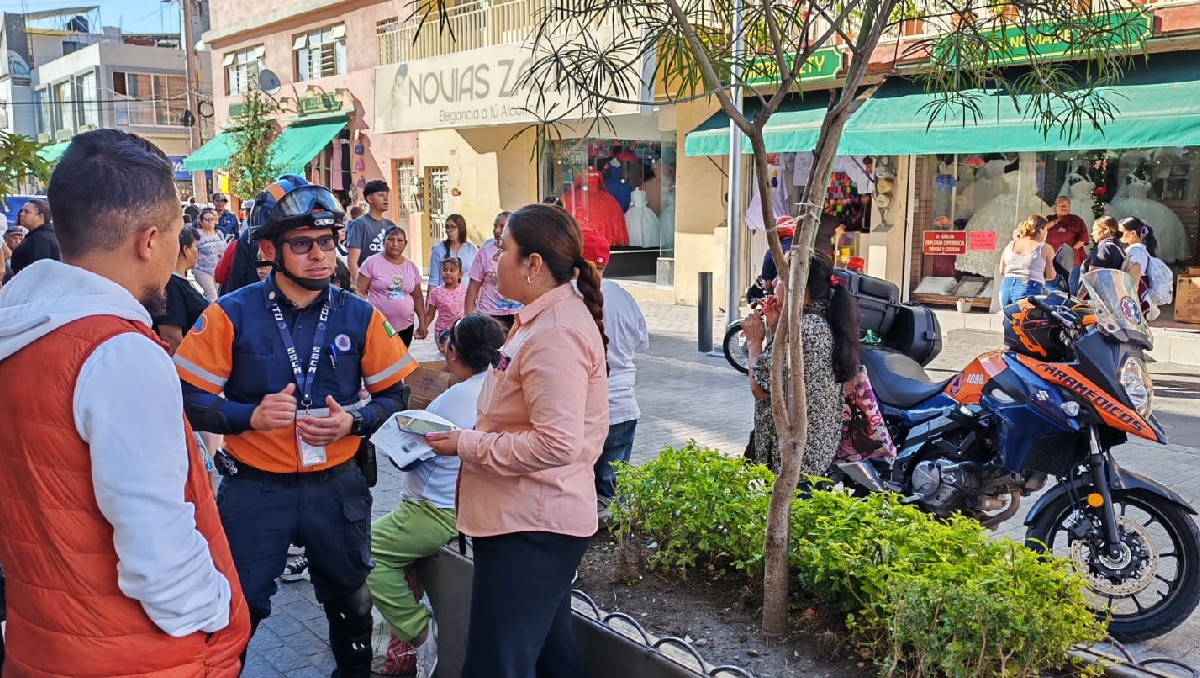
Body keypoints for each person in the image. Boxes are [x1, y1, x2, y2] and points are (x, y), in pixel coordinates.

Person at [0, 128, 250, 675]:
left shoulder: (20, 331)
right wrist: (218, 611)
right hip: (140, 655)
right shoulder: (119, 353)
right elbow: (159, 557)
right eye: (178, 234)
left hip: (44, 644)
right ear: (150, 240)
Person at [174, 175, 418, 677]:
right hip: (255, 492)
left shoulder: (359, 315)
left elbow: (396, 394)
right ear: (269, 249)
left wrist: (355, 420)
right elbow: (187, 396)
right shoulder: (230, 313)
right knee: (236, 614)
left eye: (326, 242)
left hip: (338, 487)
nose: (320, 255)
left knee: (352, 609)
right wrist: (249, 416)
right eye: (303, 244)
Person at [426, 203, 608, 678]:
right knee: (550, 656)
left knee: (496, 665)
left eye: (502, 250)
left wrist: (465, 444)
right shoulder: (540, 321)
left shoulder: (556, 332)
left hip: (532, 527)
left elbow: (557, 444)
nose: (492, 260)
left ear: (533, 264)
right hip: (524, 519)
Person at [369, 313, 508, 678]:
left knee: (364, 554)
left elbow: (411, 458)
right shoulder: (500, 388)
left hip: (432, 510)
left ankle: (419, 632)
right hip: (472, 505)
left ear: (453, 353)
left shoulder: (452, 399)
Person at [742, 253, 860, 479]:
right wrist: (775, 330)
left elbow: (760, 389)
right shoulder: (822, 318)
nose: (774, 283)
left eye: (780, 277)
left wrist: (754, 341)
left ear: (797, 286)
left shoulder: (802, 329)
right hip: (816, 452)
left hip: (794, 460)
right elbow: (786, 372)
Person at [580, 227, 650, 519]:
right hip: (622, 406)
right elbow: (642, 341)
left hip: (583, 412)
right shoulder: (622, 297)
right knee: (611, 499)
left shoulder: (568, 300)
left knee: (581, 497)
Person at [356, 226, 428, 346]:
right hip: (377, 325)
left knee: (401, 357)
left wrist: (422, 323)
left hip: (405, 327)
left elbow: (418, 297)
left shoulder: (411, 267)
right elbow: (359, 293)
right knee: (380, 356)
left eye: (400, 240)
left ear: (405, 244)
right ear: (383, 241)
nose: (395, 244)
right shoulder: (371, 263)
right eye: (390, 239)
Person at [154, 226, 211, 354]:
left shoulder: (179, 282)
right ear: (186, 250)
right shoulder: (171, 285)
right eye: (195, 247)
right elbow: (170, 336)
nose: (198, 253)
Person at [464, 210, 522, 330]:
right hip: (489, 314)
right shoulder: (485, 252)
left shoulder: (523, 252)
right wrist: (467, 319)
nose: (497, 230)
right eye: (495, 226)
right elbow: (473, 287)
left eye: (502, 226)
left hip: (517, 313)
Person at [998, 214, 1055, 307]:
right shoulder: (1045, 248)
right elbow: (1051, 275)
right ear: (1041, 230)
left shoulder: (1010, 245)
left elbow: (1001, 270)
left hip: (1006, 287)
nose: (1047, 232)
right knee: (1028, 316)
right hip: (1028, 287)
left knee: (1009, 315)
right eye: (1046, 229)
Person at [346, 179, 395, 285]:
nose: (386, 199)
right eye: (381, 195)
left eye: (387, 195)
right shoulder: (359, 224)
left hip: (388, 284)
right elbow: (352, 261)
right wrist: (360, 287)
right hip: (368, 284)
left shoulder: (390, 225)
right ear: (369, 198)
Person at [1044, 196, 1089, 294]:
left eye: (1067, 205)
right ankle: (1062, 297)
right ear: (1055, 207)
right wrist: (1056, 221)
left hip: (1071, 260)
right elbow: (1041, 230)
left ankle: (1069, 301)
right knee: (1048, 283)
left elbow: (1083, 238)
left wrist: (1071, 250)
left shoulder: (1076, 220)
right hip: (1052, 260)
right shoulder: (1049, 219)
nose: (1064, 207)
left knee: (1071, 287)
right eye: (1061, 205)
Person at [6, 198, 59, 281]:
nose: (21, 214)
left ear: (40, 217)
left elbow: (37, 271)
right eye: (22, 211)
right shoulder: (43, 234)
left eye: (27, 212)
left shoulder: (40, 238)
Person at [1119, 217, 1159, 316]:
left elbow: (1135, 273)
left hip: (1135, 291)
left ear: (1133, 233)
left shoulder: (1136, 250)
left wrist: (1130, 298)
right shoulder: (1138, 249)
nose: (1118, 235)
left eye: (1121, 232)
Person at [428, 214, 478, 288]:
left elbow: (476, 277)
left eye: (453, 227)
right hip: (444, 293)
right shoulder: (438, 249)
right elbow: (433, 280)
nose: (449, 230)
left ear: (460, 228)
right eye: (447, 227)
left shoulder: (471, 249)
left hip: (465, 293)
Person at [425, 257, 468, 341]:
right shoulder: (436, 292)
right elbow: (430, 315)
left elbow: (471, 312)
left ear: (460, 274)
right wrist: (423, 328)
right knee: (445, 349)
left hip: (461, 332)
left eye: (452, 270)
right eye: (445, 270)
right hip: (442, 331)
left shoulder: (466, 291)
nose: (447, 273)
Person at [193, 208, 227, 301]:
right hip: (202, 269)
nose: (210, 221)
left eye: (212, 219)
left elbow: (225, 247)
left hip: (217, 270)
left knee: (216, 295)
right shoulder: (197, 234)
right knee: (212, 295)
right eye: (207, 220)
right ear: (201, 222)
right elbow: (192, 250)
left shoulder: (219, 233)